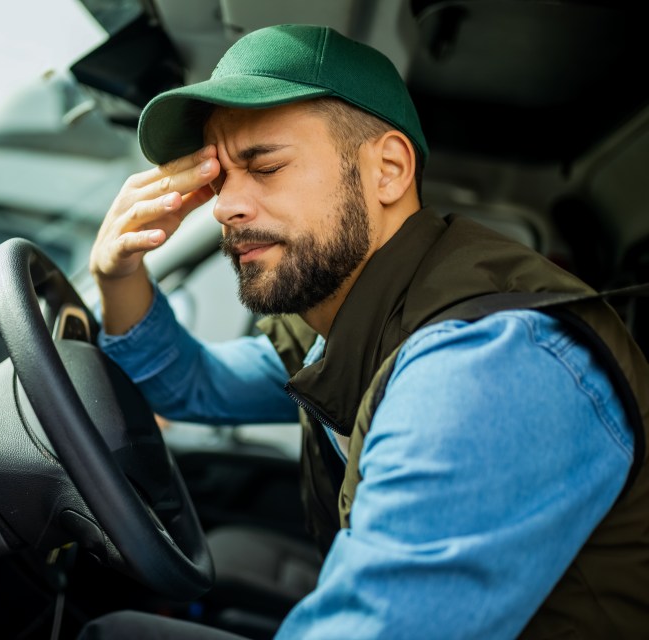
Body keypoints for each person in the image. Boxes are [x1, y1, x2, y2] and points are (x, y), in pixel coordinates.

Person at [83, 24, 649, 639]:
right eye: (218, 181)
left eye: (265, 165)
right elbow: (193, 386)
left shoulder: (485, 364)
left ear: (387, 170)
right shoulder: (351, 330)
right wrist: (121, 272)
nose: (223, 206)